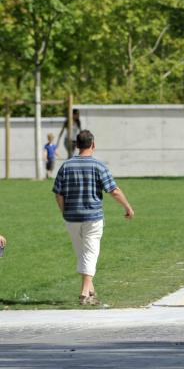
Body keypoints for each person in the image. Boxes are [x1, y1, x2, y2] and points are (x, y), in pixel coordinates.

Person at [52, 129, 134, 306]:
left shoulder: (66, 166)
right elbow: (114, 190)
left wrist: (64, 211)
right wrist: (128, 207)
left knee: (83, 253)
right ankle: (84, 293)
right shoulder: (99, 166)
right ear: (93, 145)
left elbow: (58, 193)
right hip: (92, 216)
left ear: (76, 145)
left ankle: (91, 291)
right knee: (90, 253)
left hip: (71, 217)